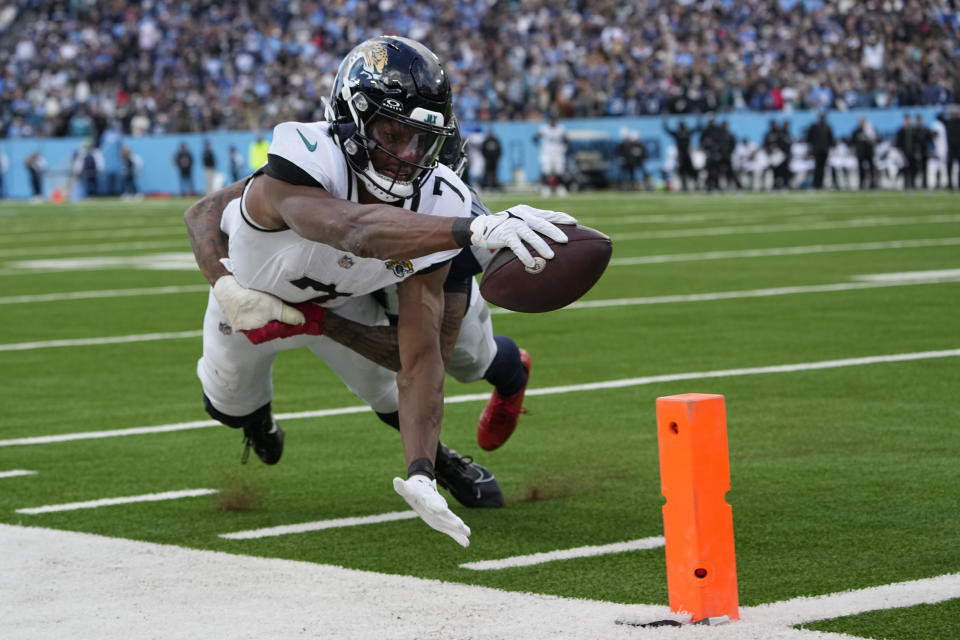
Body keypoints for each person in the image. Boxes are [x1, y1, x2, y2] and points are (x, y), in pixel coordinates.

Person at [185, 36, 573, 547]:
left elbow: (416, 358)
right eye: (394, 134)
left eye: (423, 141)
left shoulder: (440, 200)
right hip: (250, 301)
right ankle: (255, 421)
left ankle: (446, 459)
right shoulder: (306, 155)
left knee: (421, 373)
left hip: (341, 305)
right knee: (228, 404)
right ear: (352, 120)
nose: (408, 156)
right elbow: (351, 229)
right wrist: (226, 285)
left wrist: (420, 469)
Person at [533, 115, 568, 196]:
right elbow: (535, 138)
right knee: (546, 170)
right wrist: (540, 146)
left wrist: (564, 146)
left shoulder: (560, 129)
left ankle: (560, 187)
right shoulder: (544, 129)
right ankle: (546, 188)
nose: (552, 122)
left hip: (558, 152)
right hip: (547, 152)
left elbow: (566, 139)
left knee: (559, 170)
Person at [662, 120, 698, 191]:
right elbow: (697, 128)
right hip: (685, 154)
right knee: (686, 170)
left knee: (684, 171)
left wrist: (665, 121)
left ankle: (687, 184)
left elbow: (667, 130)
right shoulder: (687, 133)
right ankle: (687, 185)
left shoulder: (678, 133)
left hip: (682, 155)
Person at [806, 112, 835, 190]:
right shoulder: (817, 126)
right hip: (818, 150)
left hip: (823, 150)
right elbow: (809, 138)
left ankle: (819, 184)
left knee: (821, 168)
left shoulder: (825, 126)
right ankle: (816, 184)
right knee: (818, 167)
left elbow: (830, 139)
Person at [850, 118, 877, 190]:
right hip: (861, 153)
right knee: (861, 169)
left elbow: (875, 139)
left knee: (871, 169)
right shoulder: (856, 131)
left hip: (869, 152)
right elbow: (852, 141)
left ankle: (872, 183)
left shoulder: (870, 130)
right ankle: (861, 183)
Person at [895, 114, 918, 190]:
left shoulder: (913, 130)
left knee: (913, 169)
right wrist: (899, 151)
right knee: (905, 170)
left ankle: (913, 184)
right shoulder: (901, 130)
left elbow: (917, 141)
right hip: (904, 153)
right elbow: (898, 142)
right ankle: (906, 184)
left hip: (912, 152)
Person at [941, 105, 960, 190]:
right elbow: (939, 116)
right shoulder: (948, 122)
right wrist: (946, 110)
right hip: (951, 147)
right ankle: (950, 184)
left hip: (959, 147)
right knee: (949, 166)